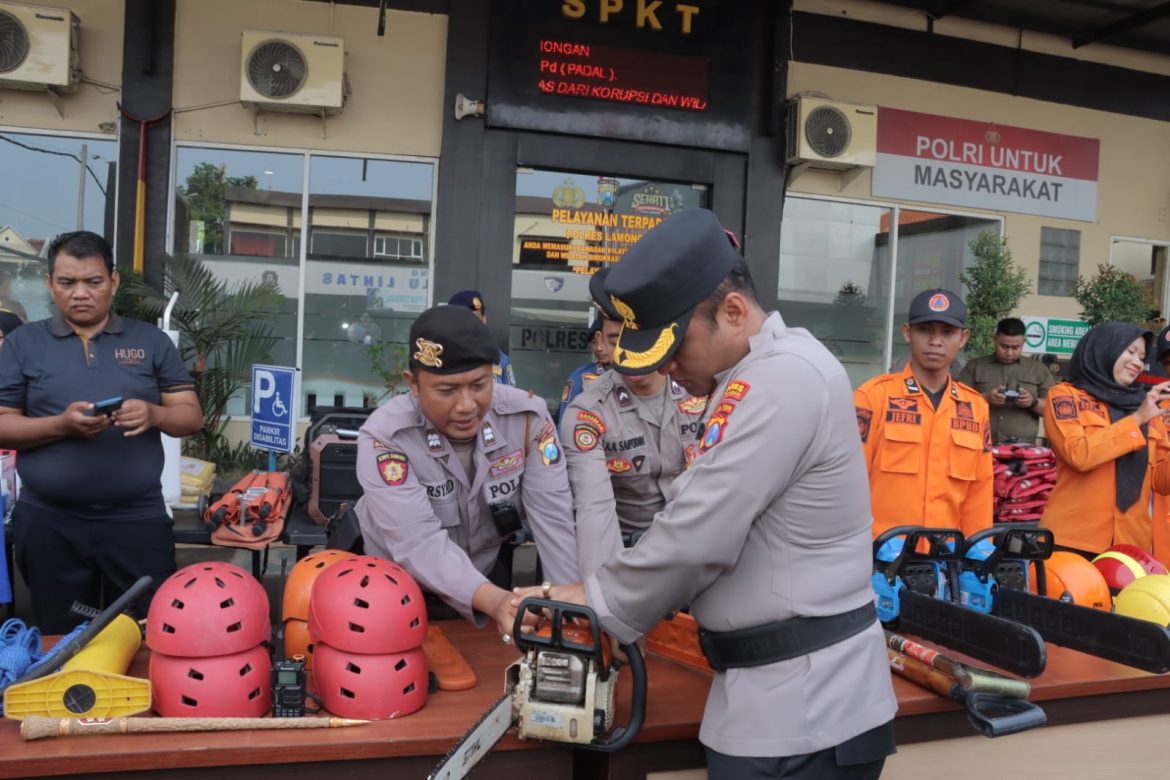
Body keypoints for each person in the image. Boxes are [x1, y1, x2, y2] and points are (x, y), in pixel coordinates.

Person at [512, 209, 896, 779]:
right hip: (775, 696)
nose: (666, 366)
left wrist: (593, 602)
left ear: (733, 312)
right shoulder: (750, 377)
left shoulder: (784, 378)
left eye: (676, 346)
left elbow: (696, 535)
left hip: (807, 708)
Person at [0, 231, 202, 633]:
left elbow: (190, 416)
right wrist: (61, 425)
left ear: (113, 282)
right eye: (67, 282)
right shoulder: (24, 343)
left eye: (92, 282)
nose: (80, 294)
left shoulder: (151, 342)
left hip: (137, 519)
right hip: (49, 521)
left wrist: (154, 414)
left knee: (147, 633)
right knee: (61, 637)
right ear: (49, 285)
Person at [353, 305, 578, 636]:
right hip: (394, 591)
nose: (466, 405)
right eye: (447, 390)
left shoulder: (528, 420)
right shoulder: (386, 437)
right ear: (413, 383)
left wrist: (572, 608)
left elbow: (555, 520)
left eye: (479, 384)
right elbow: (418, 543)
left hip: (486, 582)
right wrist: (497, 602)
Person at [560, 333, 704, 577]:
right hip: (623, 554)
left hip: (695, 551)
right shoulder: (590, 410)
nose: (632, 353)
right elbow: (593, 507)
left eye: (644, 340)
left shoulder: (699, 391)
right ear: (603, 340)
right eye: (618, 341)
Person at [855, 289, 994, 538]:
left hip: (946, 557)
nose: (936, 341)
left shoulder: (974, 408)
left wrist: (978, 552)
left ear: (963, 338)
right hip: (882, 556)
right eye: (925, 330)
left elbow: (980, 493)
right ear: (908, 333)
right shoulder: (873, 398)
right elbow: (849, 484)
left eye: (947, 333)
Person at [1039, 323, 1170, 556]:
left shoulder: (1146, 404)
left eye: (1141, 357)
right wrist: (1137, 419)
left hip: (1132, 546)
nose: (1138, 362)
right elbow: (1078, 454)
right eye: (1130, 352)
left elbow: (1161, 481)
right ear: (1104, 348)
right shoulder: (1066, 395)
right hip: (1073, 541)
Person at [959, 317, 1054, 443]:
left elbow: (1053, 411)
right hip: (979, 443)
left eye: (1016, 347)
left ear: (1024, 342)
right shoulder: (975, 366)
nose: (1009, 352)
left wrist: (1033, 402)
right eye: (1004, 346)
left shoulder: (1039, 370)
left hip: (1023, 448)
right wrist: (985, 399)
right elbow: (957, 404)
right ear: (994, 339)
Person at [557, 268, 617, 421]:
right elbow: (565, 421)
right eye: (593, 342)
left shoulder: (637, 375)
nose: (599, 348)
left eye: (606, 341)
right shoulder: (580, 377)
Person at [448, 289, 516, 386]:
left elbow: (511, 397)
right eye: (464, 318)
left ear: (483, 320)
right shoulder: (440, 357)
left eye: (475, 317)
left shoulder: (500, 359)